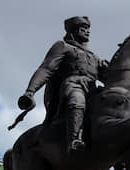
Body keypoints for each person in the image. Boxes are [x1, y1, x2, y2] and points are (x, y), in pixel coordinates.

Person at [17, 16, 108, 153]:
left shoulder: (94, 57)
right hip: (72, 86)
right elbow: (46, 69)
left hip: (92, 91)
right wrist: (30, 91)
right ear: (73, 30)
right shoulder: (63, 47)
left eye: (88, 29)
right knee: (77, 99)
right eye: (83, 28)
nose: (87, 31)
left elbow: (109, 77)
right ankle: (74, 139)